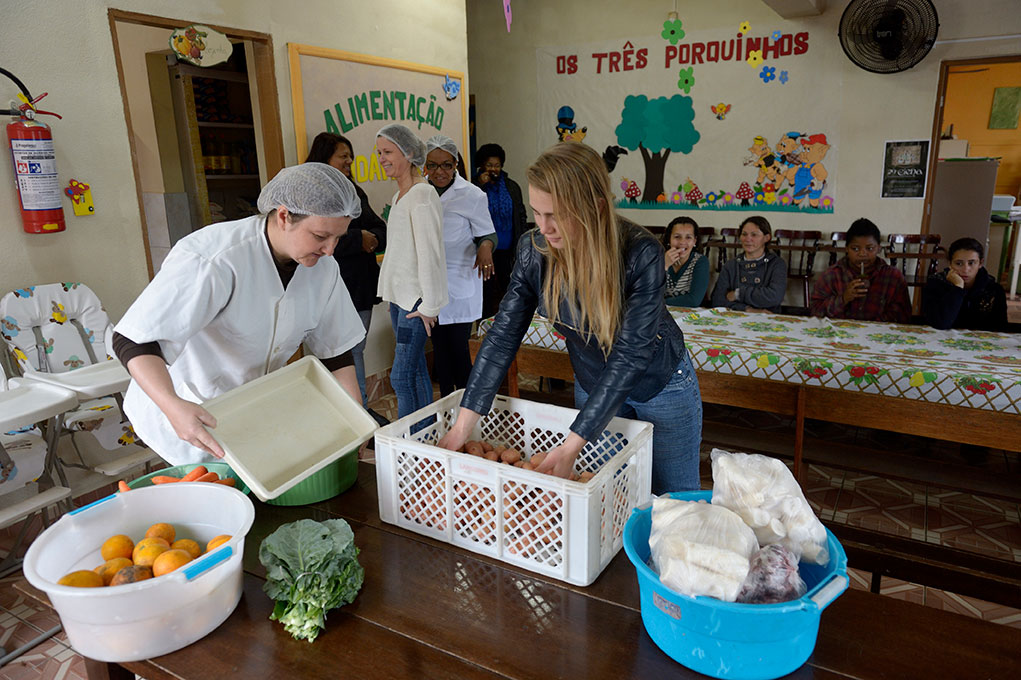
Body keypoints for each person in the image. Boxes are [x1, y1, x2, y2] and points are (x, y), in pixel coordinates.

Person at [439, 142, 703, 495]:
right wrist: (462, 426)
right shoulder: (534, 250)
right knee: (614, 492)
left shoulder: (640, 252)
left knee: (677, 496)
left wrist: (573, 444)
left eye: (555, 215)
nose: (543, 227)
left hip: (661, 383)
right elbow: (503, 336)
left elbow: (631, 354)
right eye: (536, 212)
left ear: (594, 208)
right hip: (594, 382)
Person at [112, 163, 365, 465]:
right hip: (188, 405)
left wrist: (357, 425)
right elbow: (134, 342)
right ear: (284, 216)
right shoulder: (215, 257)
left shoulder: (323, 269)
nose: (330, 250)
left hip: (248, 407)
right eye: (321, 236)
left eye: (338, 238)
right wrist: (172, 405)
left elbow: (336, 354)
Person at [305, 132, 387, 417]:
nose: (349, 162)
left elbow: (380, 229)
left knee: (355, 350)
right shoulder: (309, 194)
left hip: (359, 286)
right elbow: (313, 241)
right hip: (329, 287)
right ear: (324, 157)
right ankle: (346, 414)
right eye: (343, 156)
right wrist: (356, 239)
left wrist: (371, 238)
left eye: (350, 156)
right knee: (335, 353)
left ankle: (359, 413)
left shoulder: (353, 191)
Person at [375, 124, 447, 422]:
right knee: (415, 372)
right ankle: (424, 436)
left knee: (401, 378)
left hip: (416, 304)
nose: (382, 158)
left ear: (409, 153)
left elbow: (430, 254)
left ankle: (407, 445)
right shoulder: (400, 197)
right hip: (400, 301)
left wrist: (430, 305)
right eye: (379, 152)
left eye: (388, 152)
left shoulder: (421, 195)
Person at [425, 134, 497, 396]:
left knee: (459, 352)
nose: (439, 171)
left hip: (460, 279)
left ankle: (467, 411)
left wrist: (486, 248)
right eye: (432, 165)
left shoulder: (472, 194)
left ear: (455, 164)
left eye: (446, 164)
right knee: (439, 353)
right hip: (430, 283)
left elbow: (487, 232)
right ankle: (446, 408)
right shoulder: (419, 192)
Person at [809, 218, 911, 323]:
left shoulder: (893, 277)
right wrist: (844, 298)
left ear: (879, 249)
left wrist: (871, 326)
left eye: (870, 248)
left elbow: (903, 316)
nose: (862, 254)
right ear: (847, 249)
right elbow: (815, 311)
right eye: (855, 249)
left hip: (878, 335)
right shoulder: (831, 275)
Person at [475, 143, 527, 318]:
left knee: (510, 288)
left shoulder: (512, 187)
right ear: (482, 165)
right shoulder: (474, 187)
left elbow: (521, 214)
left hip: (508, 248)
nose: (494, 169)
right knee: (486, 292)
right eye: (489, 165)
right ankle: (484, 324)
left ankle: (509, 322)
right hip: (486, 250)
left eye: (497, 165)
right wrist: (480, 185)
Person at [923, 237, 1007, 331]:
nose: (965, 270)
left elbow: (1000, 330)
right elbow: (941, 324)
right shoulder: (935, 284)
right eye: (959, 263)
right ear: (950, 264)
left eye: (971, 263)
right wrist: (958, 288)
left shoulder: (994, 289)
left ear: (980, 263)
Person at [710, 216, 787, 312]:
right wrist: (747, 309)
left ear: (767, 238)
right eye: (744, 234)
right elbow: (717, 300)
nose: (748, 239)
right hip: (735, 317)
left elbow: (774, 297)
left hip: (768, 318)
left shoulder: (776, 264)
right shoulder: (731, 265)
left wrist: (738, 294)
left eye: (754, 235)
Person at [662, 216, 710, 307]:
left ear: (694, 241)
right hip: (659, 313)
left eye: (688, 237)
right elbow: (649, 293)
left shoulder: (700, 261)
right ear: (669, 239)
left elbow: (693, 300)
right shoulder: (658, 259)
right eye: (677, 237)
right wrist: (664, 266)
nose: (682, 242)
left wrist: (660, 302)